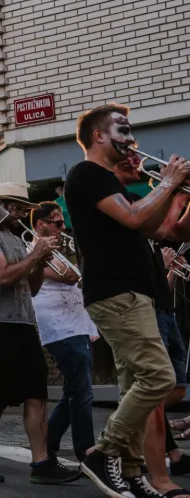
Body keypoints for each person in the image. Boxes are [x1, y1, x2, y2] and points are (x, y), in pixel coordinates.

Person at [64, 103, 188, 497]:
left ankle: (132, 472)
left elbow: (161, 230)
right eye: (122, 130)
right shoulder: (87, 174)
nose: (131, 139)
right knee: (160, 377)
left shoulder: (112, 183)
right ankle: (104, 452)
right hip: (115, 292)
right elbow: (134, 218)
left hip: (136, 293)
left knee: (136, 381)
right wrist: (168, 183)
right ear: (99, 135)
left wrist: (180, 195)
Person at [0, 182, 80, 485]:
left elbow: (32, 289)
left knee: (36, 392)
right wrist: (35, 255)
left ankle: (41, 462)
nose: (19, 213)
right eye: (14, 207)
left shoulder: (17, 240)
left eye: (22, 208)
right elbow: (2, 276)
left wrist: (40, 263)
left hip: (23, 323)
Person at [111, 149, 190, 496]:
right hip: (132, 302)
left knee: (167, 387)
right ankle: (150, 470)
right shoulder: (117, 200)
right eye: (127, 154)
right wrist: (171, 185)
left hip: (156, 304)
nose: (136, 159)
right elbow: (157, 227)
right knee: (154, 388)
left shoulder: (135, 200)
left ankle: (132, 463)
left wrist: (183, 196)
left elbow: (173, 229)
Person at [28, 202, 98, 464]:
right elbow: (70, 275)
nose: (63, 228)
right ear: (41, 225)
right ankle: (86, 450)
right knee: (82, 392)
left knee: (74, 390)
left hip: (76, 324)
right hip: (60, 327)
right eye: (57, 223)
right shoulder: (34, 250)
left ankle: (51, 442)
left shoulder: (54, 251)